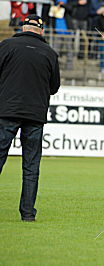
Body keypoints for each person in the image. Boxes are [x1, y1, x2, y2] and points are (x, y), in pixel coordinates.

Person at [0, 15, 60, 222]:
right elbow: (54, 88)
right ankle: (27, 214)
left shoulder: (6, 46)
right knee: (31, 166)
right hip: (35, 114)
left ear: (23, 27)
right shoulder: (50, 53)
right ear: (41, 31)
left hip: (6, 111)